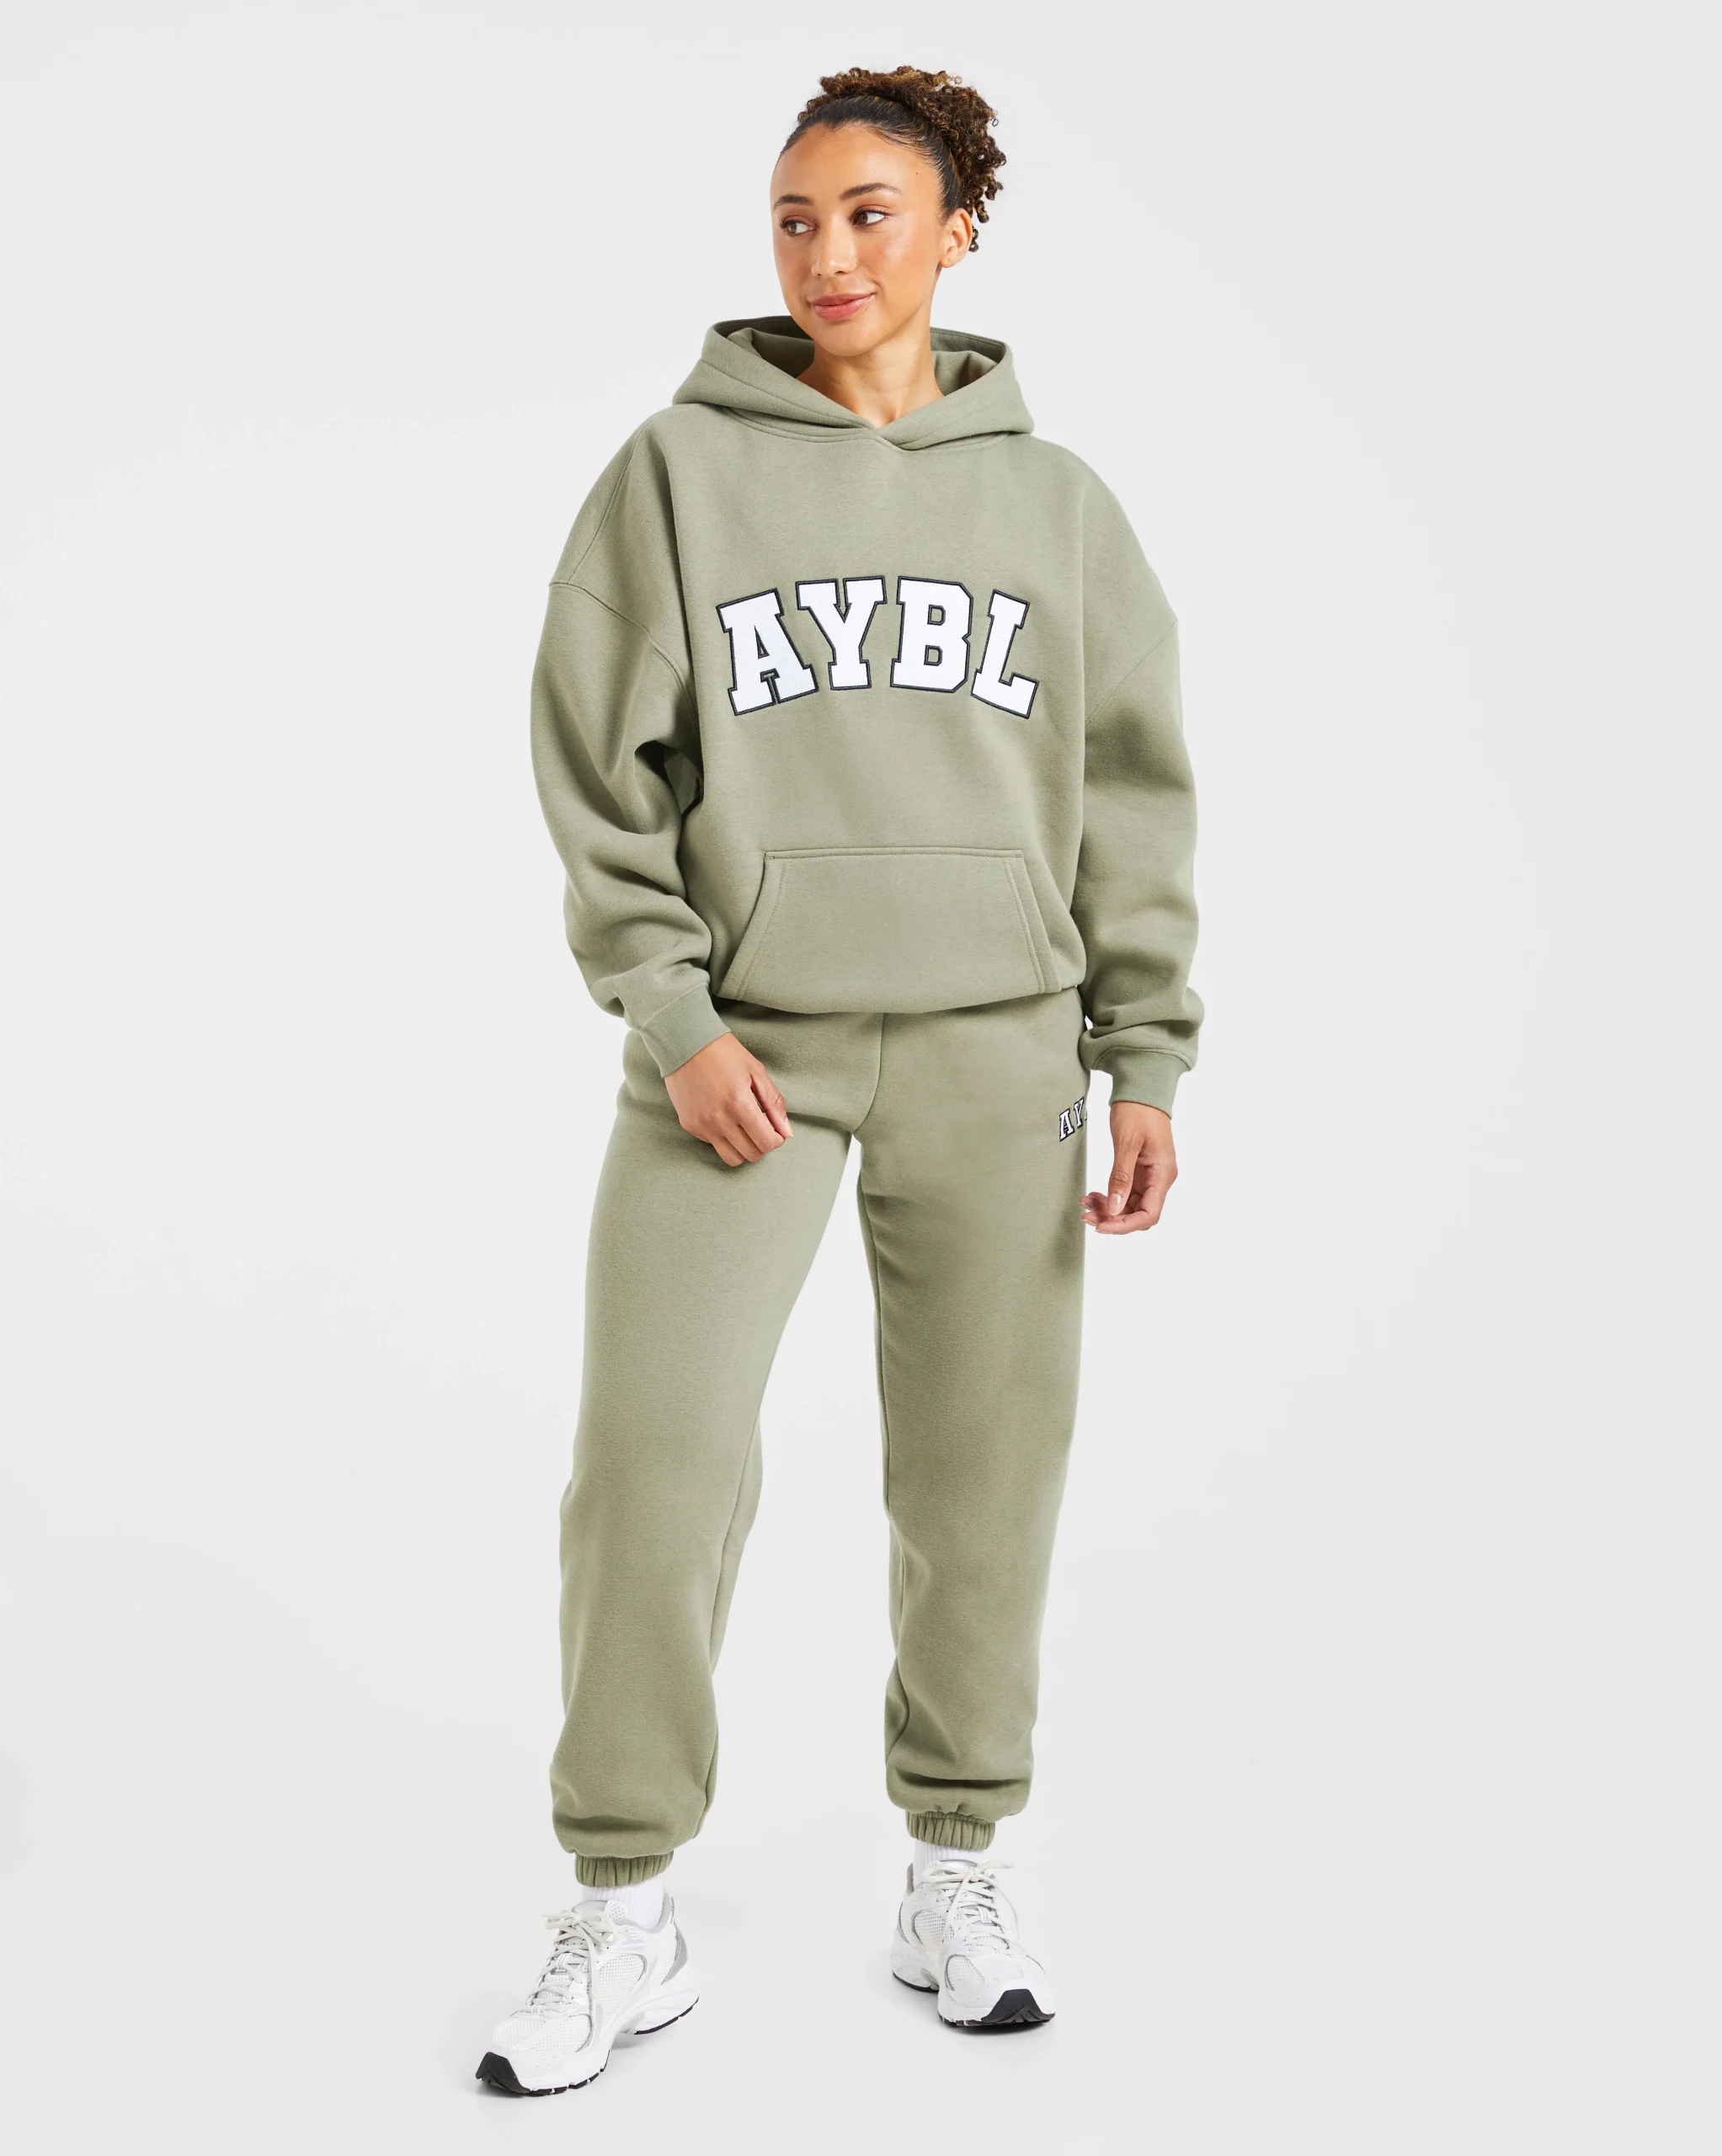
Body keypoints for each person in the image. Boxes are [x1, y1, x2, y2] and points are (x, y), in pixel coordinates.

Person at [476, 64, 1203, 2096]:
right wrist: (677, 1016)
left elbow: (1131, 799)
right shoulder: (675, 475)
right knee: (653, 1460)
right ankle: (623, 1901)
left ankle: (954, 1867)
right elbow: (596, 776)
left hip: (1001, 1047)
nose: (826, 254)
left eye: (870, 212)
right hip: (743, 1060)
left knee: (982, 1476)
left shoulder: (1058, 509)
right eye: (795, 217)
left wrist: (1143, 1048)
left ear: (957, 228)